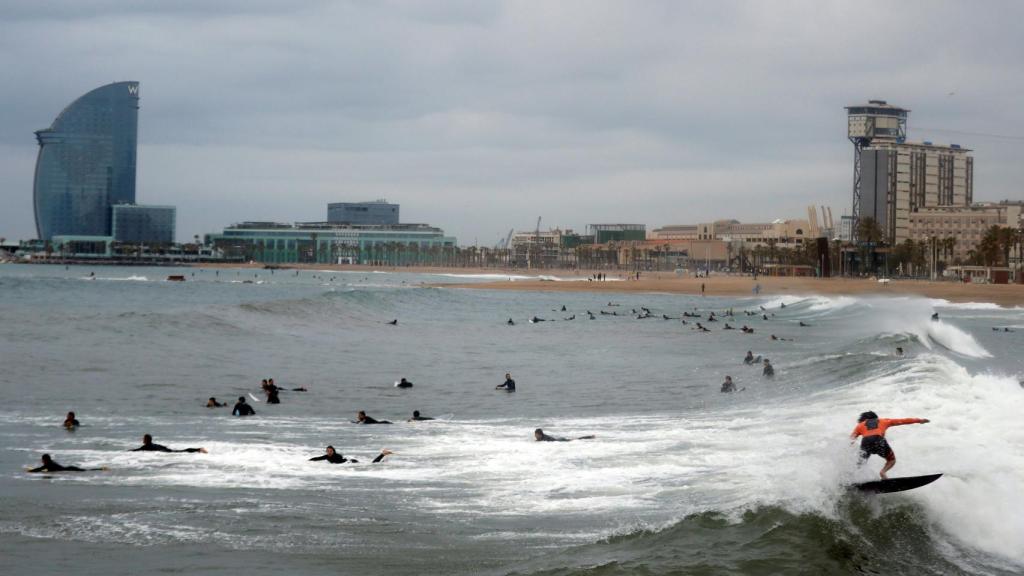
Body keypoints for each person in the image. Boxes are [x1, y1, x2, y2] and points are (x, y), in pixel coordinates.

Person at [850, 411, 929, 479]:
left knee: (860, 464)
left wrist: (848, 448)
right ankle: (883, 472)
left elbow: (851, 439)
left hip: (865, 442)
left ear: (863, 419)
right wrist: (919, 420)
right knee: (891, 460)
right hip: (878, 440)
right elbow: (903, 421)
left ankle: (853, 479)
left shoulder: (859, 425)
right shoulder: (884, 421)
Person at [309, 445, 391, 464]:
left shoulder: (336, 455)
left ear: (333, 451)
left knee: (371, 464)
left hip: (351, 462)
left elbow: (341, 458)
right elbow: (318, 458)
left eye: (330, 451)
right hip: (348, 464)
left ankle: (383, 454)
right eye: (328, 451)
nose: (329, 452)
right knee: (371, 463)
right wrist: (309, 460)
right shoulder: (327, 456)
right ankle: (383, 457)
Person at [131, 434, 207, 453]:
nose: (142, 439)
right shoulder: (154, 444)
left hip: (166, 452)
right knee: (182, 451)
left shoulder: (146, 446)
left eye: (143, 438)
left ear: (146, 440)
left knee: (183, 451)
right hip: (167, 450)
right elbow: (162, 446)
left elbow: (136, 450)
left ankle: (199, 449)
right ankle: (198, 449)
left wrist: (128, 451)